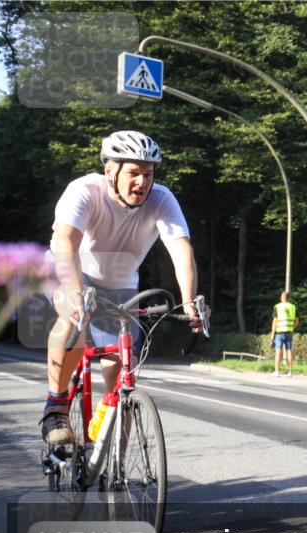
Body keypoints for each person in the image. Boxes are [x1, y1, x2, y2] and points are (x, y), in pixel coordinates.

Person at [41, 131, 207, 446]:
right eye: (133, 173)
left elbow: (181, 251)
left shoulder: (162, 199)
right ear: (110, 171)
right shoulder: (84, 190)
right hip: (69, 269)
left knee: (121, 381)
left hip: (120, 284)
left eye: (148, 174)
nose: (142, 182)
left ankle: (114, 462)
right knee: (72, 317)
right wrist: (75, 291)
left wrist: (189, 303)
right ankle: (56, 408)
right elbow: (66, 241)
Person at [270, 291, 299, 377]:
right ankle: (290, 372)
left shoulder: (278, 306)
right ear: (288, 298)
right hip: (289, 332)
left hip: (279, 332)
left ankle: (277, 372)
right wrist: (292, 327)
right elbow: (297, 321)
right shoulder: (293, 307)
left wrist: (272, 335)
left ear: (282, 297)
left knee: (278, 351)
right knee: (289, 351)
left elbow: (275, 321)